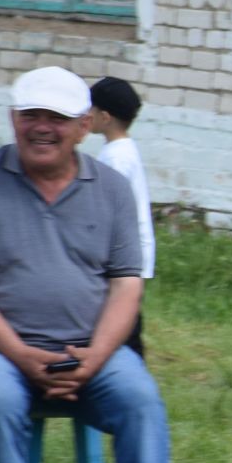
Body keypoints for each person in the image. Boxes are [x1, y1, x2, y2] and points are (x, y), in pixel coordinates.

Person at [0, 66, 171, 463]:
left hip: (93, 351)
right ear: (13, 118)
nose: (42, 127)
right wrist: (20, 354)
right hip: (0, 351)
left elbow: (127, 283)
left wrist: (95, 356)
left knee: (141, 403)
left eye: (57, 118)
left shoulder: (110, 187)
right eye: (31, 115)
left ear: (84, 126)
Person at [88, 77, 153, 357]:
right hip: (128, 252)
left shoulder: (116, 159)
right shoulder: (122, 150)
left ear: (104, 117)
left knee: (122, 316)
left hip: (123, 254)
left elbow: (104, 209)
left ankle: (131, 365)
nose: (84, 116)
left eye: (89, 110)